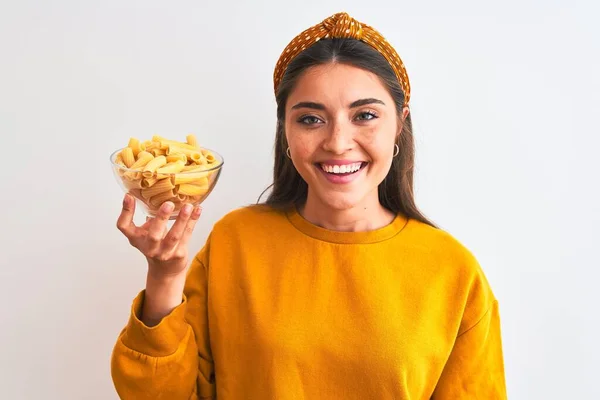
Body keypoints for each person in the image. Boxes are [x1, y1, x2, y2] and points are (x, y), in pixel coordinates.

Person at [110, 11, 507, 400]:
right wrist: (164, 277)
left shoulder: (453, 272)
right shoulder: (236, 241)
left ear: (399, 123)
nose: (338, 142)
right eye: (311, 119)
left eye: (365, 115)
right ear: (285, 127)